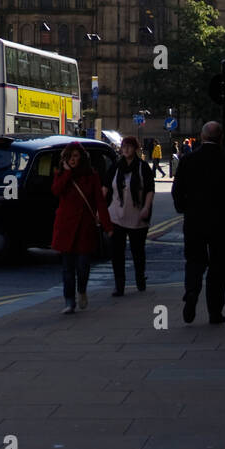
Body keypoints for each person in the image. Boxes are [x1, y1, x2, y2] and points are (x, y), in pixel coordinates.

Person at [171, 120, 225, 325]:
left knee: (194, 261)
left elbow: (177, 190)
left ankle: (192, 292)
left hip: (194, 220)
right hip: (221, 222)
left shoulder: (188, 159)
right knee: (219, 266)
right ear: (221, 138)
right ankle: (215, 312)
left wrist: (184, 209)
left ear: (202, 137)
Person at [50, 141, 113, 315]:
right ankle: (69, 301)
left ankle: (82, 290)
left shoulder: (91, 176)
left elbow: (100, 202)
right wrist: (67, 174)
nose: (72, 159)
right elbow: (56, 191)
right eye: (69, 156)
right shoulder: (62, 174)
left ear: (82, 158)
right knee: (67, 269)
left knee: (83, 266)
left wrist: (108, 226)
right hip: (65, 227)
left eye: (76, 156)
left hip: (85, 228)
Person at [107, 135, 154, 296]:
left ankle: (140, 279)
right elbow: (106, 188)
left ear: (135, 149)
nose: (125, 149)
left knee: (137, 251)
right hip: (116, 215)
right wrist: (100, 210)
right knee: (116, 252)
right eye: (123, 146)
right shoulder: (115, 167)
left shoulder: (142, 167)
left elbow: (149, 190)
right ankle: (119, 285)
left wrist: (146, 207)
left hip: (137, 215)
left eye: (129, 146)